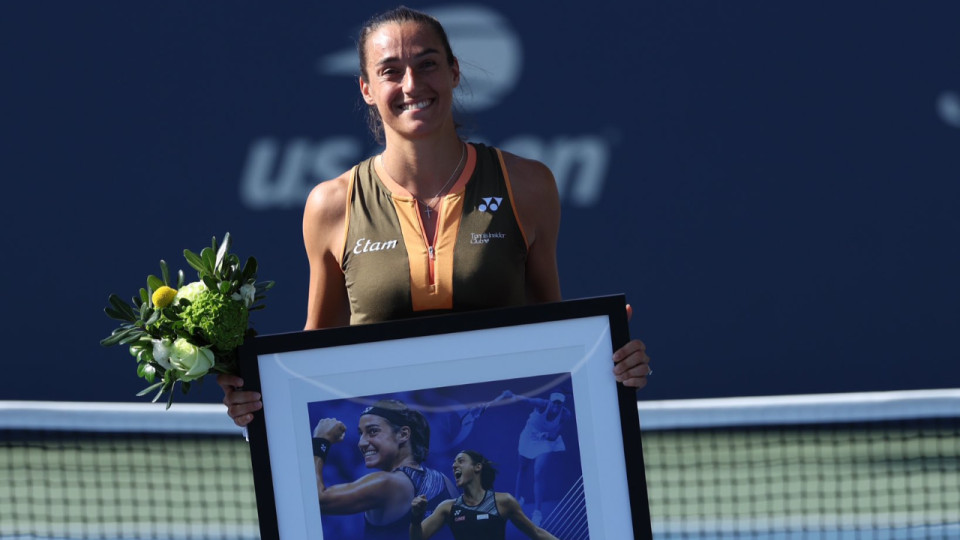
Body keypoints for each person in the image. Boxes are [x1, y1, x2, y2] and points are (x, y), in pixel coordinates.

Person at [218, 5, 651, 426]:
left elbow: (554, 328)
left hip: (500, 435)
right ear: (367, 88)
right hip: (385, 451)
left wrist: (611, 360)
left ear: (453, 72)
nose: (411, 84)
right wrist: (255, 396)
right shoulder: (330, 204)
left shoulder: (527, 184)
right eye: (390, 71)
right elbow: (316, 349)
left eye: (427, 65)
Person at [312, 399, 458, 539]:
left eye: (373, 431)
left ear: (403, 434)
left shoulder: (386, 483)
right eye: (360, 434)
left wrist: (321, 440)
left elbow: (317, 500)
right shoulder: (445, 482)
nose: (361, 443)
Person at [410, 450, 558, 540]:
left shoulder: (503, 501)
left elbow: (536, 533)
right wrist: (416, 517)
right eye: (454, 463)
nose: (454, 465)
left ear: (478, 467)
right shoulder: (447, 508)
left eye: (460, 461)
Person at [505, 391, 572, 526]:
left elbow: (554, 435)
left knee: (539, 472)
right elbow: (527, 400)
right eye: (554, 402)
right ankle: (517, 500)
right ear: (550, 401)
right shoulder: (542, 404)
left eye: (559, 403)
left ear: (562, 405)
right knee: (523, 469)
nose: (556, 406)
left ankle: (537, 513)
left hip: (545, 441)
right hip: (528, 436)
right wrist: (513, 396)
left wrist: (546, 436)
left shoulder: (565, 414)